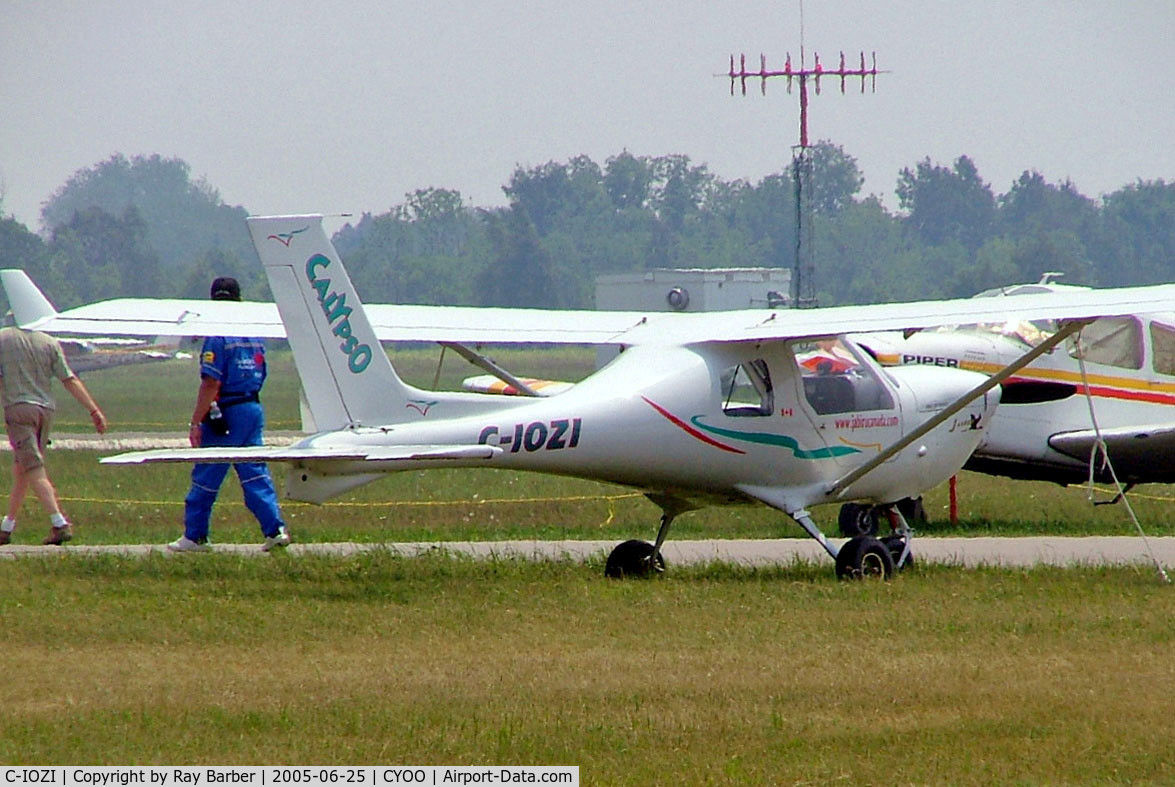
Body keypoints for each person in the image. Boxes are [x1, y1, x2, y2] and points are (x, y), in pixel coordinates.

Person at [169, 276, 291, 552]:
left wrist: (196, 421)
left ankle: (195, 536)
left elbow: (211, 382)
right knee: (254, 473)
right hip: (252, 407)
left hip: (226, 414)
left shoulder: (217, 335)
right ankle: (275, 529)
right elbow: (262, 371)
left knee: (207, 473)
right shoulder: (253, 334)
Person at [0, 321, 107, 546]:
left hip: (19, 408)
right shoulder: (49, 342)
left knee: (33, 468)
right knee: (23, 469)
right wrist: (93, 409)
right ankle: (6, 527)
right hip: (45, 410)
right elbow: (69, 379)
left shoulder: (3, 338)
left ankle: (59, 523)